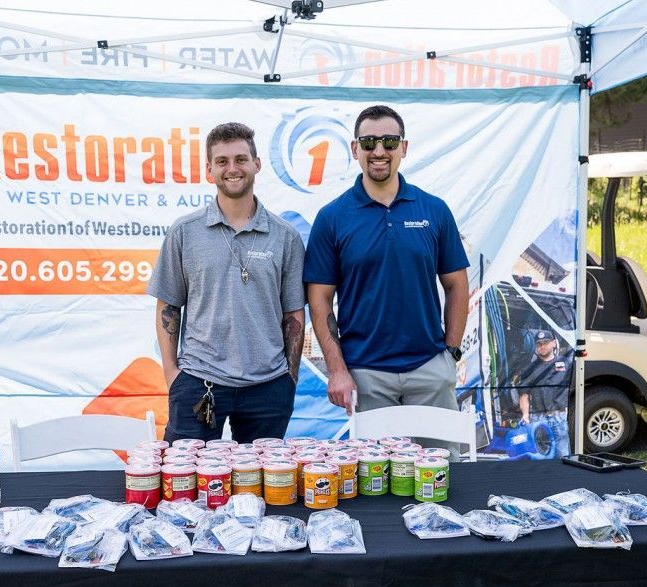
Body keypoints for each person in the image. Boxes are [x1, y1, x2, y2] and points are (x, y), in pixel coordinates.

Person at [303, 104, 469, 415]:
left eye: (390, 142)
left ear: (403, 147)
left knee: (442, 465)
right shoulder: (332, 218)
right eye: (369, 143)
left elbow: (457, 285)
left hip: (429, 371)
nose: (379, 150)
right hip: (365, 375)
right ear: (355, 149)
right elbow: (319, 300)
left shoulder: (434, 210)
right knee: (372, 467)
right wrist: (337, 370)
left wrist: (451, 354)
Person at [149, 121, 305, 443]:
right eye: (222, 161)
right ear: (209, 170)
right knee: (186, 484)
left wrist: (289, 378)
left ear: (257, 164)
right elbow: (168, 306)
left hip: (269, 387)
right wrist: (171, 375)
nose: (232, 169)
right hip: (198, 382)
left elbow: (293, 315)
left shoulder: (285, 236)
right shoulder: (185, 232)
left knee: (262, 489)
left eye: (240, 159)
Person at [515, 330, 572, 424]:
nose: (542, 347)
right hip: (539, 418)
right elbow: (523, 394)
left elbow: (575, 388)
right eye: (539, 344)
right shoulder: (530, 369)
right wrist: (525, 415)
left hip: (560, 416)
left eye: (545, 343)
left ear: (554, 343)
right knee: (541, 439)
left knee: (562, 439)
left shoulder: (566, 363)